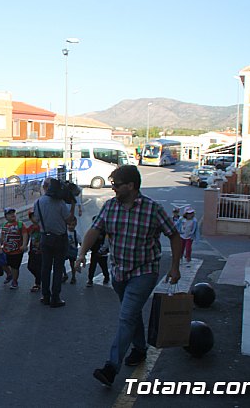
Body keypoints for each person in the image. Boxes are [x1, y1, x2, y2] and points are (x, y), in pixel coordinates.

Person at [75, 165, 181, 387]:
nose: (112, 188)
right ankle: (140, 348)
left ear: (131, 186)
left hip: (144, 272)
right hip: (119, 272)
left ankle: (111, 367)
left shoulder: (153, 209)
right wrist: (81, 253)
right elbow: (94, 230)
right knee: (130, 314)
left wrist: (175, 267)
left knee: (126, 316)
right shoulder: (111, 207)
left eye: (116, 184)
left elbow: (174, 236)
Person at [33, 178, 74, 308]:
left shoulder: (38, 202)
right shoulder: (60, 203)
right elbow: (69, 220)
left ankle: (45, 296)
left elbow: (36, 219)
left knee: (45, 268)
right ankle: (55, 298)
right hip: (60, 238)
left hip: (46, 237)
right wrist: (72, 204)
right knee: (57, 268)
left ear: (45, 188)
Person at [0, 207, 28, 289]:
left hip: (17, 251)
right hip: (6, 249)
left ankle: (14, 281)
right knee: (2, 262)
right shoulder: (4, 225)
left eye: (13, 213)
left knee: (15, 267)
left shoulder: (20, 224)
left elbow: (25, 234)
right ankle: (9, 274)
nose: (12, 214)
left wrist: (24, 244)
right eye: (9, 213)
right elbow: (2, 236)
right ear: (6, 217)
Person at [86, 215, 110, 288]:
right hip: (94, 251)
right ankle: (90, 279)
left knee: (104, 266)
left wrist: (101, 250)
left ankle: (106, 277)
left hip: (102, 253)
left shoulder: (105, 232)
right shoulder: (92, 231)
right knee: (92, 266)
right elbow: (89, 240)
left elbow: (106, 243)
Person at [26, 210, 42, 292]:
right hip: (32, 250)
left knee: (38, 267)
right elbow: (26, 236)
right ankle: (39, 277)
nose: (35, 218)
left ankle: (37, 283)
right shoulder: (30, 228)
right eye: (32, 217)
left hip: (41, 251)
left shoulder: (42, 226)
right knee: (30, 266)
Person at [64, 216, 81, 285]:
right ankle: (65, 274)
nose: (71, 226)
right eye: (69, 224)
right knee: (61, 263)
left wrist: (82, 253)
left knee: (72, 264)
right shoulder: (64, 232)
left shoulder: (76, 234)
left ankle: (73, 277)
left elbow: (81, 243)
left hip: (72, 251)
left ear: (75, 224)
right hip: (64, 250)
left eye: (73, 225)